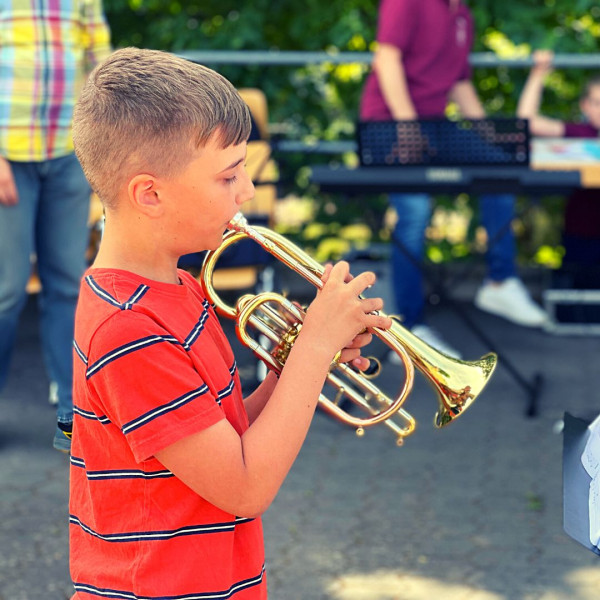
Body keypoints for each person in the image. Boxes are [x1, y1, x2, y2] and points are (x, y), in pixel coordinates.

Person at [68, 47, 391, 599]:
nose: (246, 194)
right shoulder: (128, 328)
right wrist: (312, 349)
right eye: (228, 177)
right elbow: (245, 486)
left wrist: (297, 367)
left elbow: (226, 432)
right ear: (149, 194)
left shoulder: (177, 286)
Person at [360, 0, 548, 358]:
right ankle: (409, 328)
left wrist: (488, 135)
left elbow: (460, 85)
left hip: (434, 125)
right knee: (414, 214)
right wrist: (408, 126)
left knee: (500, 170)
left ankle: (499, 280)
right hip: (387, 124)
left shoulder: (462, 14)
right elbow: (386, 59)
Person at [0, 0, 111, 452]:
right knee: (5, 290)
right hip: (9, 158)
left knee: (67, 284)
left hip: (69, 154)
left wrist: (101, 146)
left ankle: (73, 415)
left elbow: (100, 64)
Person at [517, 49, 600, 271]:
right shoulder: (579, 132)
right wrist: (538, 75)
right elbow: (527, 123)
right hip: (582, 234)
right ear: (585, 105)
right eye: (598, 103)